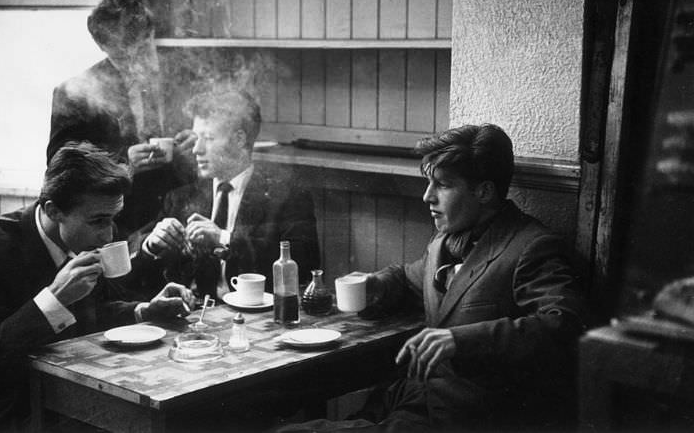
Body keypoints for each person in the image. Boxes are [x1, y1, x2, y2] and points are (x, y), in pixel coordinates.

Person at [280, 124, 586, 432]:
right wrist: (377, 283)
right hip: (412, 400)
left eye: (442, 185)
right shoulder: (445, 242)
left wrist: (460, 340)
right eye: (429, 183)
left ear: (484, 191)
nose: (427, 196)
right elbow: (411, 277)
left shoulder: (531, 246)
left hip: (470, 419)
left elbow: (563, 325)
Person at [0, 142, 195, 432]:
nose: (108, 235)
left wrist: (143, 312)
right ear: (53, 210)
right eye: (99, 221)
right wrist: (54, 299)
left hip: (67, 401)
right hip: (3, 414)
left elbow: (92, 312)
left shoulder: (79, 239)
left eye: (113, 218)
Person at [132, 89, 320, 301]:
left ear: (240, 139)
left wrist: (224, 239)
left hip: (256, 319)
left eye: (209, 138)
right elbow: (136, 278)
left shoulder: (287, 196)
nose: (196, 149)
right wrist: (151, 246)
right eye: (196, 139)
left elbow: (302, 266)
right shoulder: (181, 198)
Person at [47, 0, 195, 236]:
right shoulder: (75, 93)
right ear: (102, 45)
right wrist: (122, 163)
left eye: (144, 44)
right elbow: (60, 168)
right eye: (126, 51)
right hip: (119, 221)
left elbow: (205, 122)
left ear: (151, 32)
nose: (138, 58)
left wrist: (196, 136)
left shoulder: (178, 74)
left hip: (180, 211)